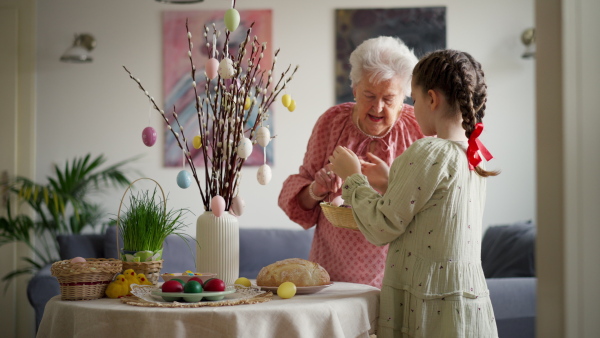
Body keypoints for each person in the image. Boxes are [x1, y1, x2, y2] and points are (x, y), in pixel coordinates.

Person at [329, 49, 499, 337]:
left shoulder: (428, 149)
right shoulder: (474, 155)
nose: (414, 107)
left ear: (432, 99)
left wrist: (353, 177)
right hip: (469, 307)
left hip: (430, 305)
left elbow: (382, 226)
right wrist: (388, 182)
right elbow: (433, 209)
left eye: (415, 99)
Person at [278, 36, 424, 288]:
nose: (377, 107)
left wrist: (389, 182)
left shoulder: (419, 129)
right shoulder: (332, 122)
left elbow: (429, 208)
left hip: (398, 275)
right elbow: (302, 201)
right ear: (355, 89)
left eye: (388, 98)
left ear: (405, 97)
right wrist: (316, 189)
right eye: (368, 95)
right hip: (333, 274)